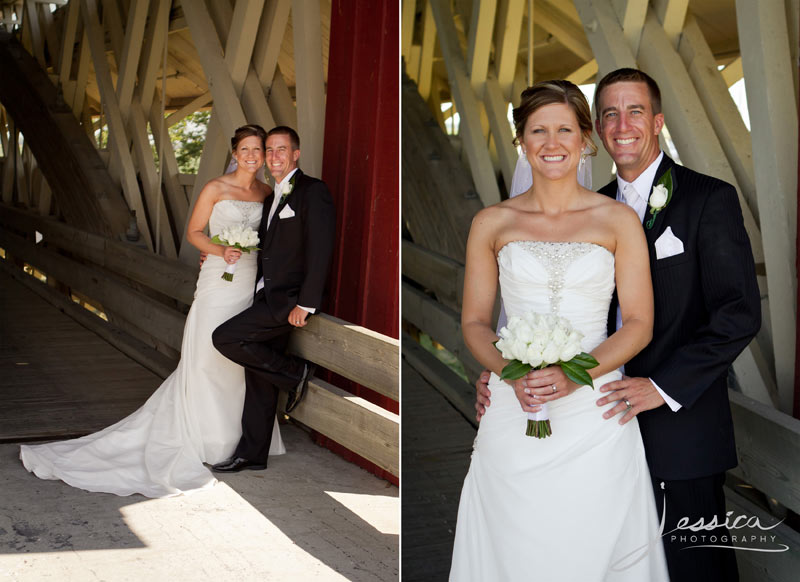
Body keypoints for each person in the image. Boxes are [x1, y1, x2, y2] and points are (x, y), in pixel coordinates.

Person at [475, 69, 761, 582]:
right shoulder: (592, 206)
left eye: (634, 112)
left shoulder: (706, 199)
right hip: (588, 416)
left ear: (657, 121)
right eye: (609, 113)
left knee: (694, 568)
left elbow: (738, 313)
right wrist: (503, 369)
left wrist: (662, 386)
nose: (622, 124)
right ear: (598, 131)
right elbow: (527, 312)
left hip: (678, 423)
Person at [450, 80, 669, 581]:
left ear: (586, 139)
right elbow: (475, 322)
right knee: (514, 545)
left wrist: (578, 374)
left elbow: (639, 323)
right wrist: (507, 371)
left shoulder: (616, 220)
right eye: (538, 131)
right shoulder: (491, 222)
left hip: (596, 412)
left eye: (565, 129)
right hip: (514, 407)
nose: (553, 143)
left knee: (589, 542)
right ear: (522, 142)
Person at [19, 124, 286, 498]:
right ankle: (204, 439)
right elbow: (194, 233)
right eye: (246, 149)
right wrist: (218, 250)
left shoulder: (267, 192)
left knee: (240, 360)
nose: (253, 156)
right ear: (235, 152)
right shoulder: (215, 187)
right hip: (217, 279)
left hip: (246, 284)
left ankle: (235, 440)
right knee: (207, 355)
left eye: (258, 149)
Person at [211, 126, 336, 473]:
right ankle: (252, 454)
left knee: (225, 337)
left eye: (282, 150)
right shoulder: (270, 197)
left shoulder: (313, 192)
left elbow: (321, 249)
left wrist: (306, 304)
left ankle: (296, 374)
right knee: (258, 376)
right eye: (269, 150)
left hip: (289, 301)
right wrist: (216, 251)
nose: (274, 156)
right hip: (263, 293)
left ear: (296, 154)